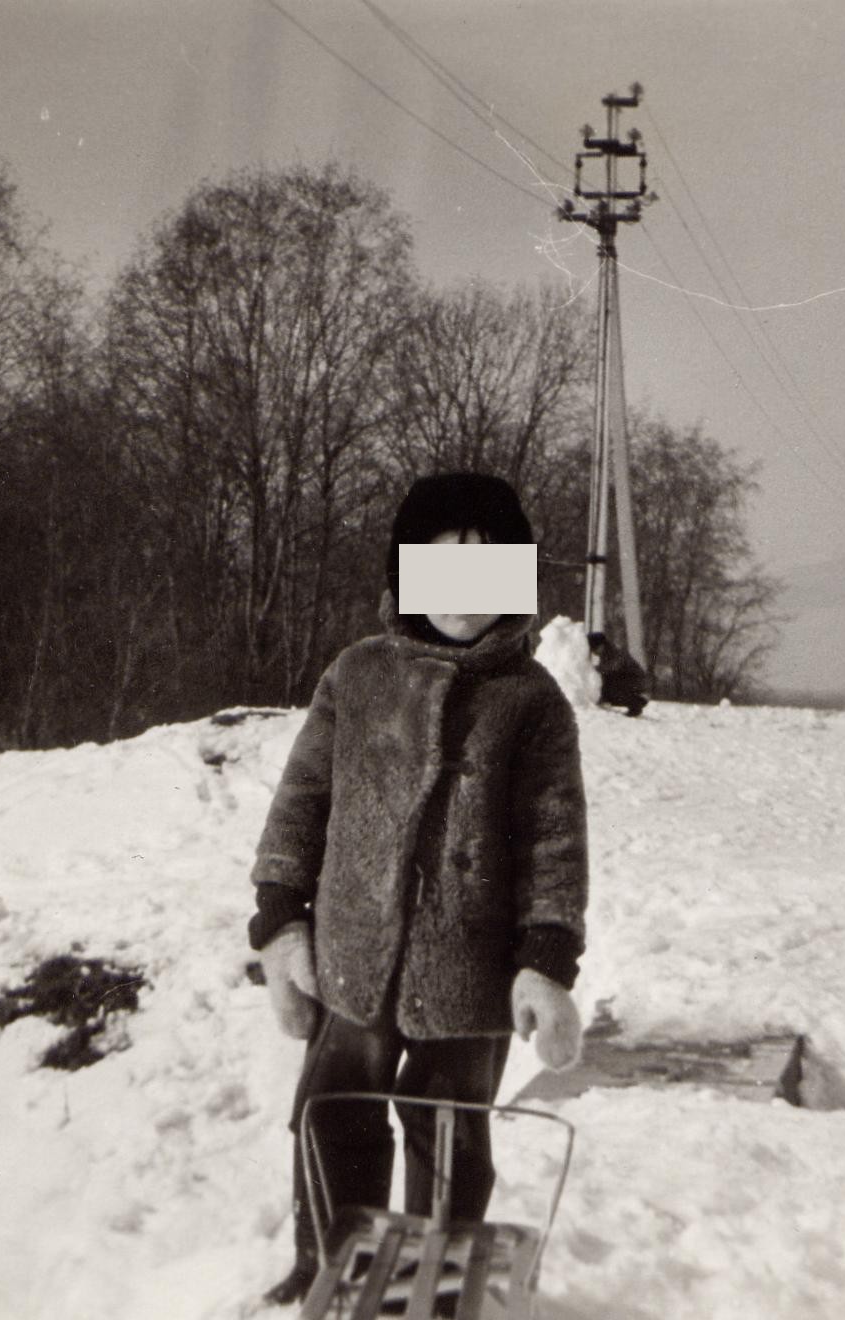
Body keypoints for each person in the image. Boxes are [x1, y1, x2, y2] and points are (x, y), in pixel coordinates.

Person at [248, 472, 589, 1307]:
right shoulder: (357, 676)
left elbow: (554, 839)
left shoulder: (532, 702)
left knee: (448, 1137)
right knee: (333, 1114)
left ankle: (433, 1286)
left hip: (471, 972)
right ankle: (327, 1267)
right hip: (353, 960)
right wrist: (281, 919)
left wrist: (545, 961)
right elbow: (302, 800)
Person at [587, 631, 650, 718]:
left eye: (593, 649)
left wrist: (592, 670)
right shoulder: (606, 653)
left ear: (601, 645)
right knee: (606, 687)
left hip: (637, 687)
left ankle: (635, 703)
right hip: (632, 685)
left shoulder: (615, 652)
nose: (593, 652)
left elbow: (612, 667)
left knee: (608, 685)